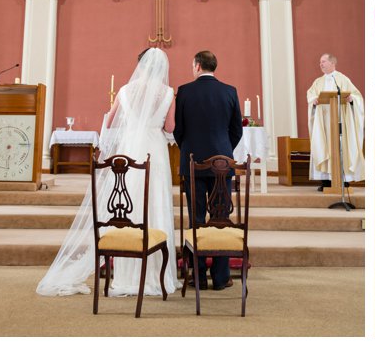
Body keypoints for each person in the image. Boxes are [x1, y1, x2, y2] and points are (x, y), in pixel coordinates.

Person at [37, 47, 179, 297]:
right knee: (154, 203)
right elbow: (170, 127)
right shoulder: (168, 93)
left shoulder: (125, 90)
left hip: (129, 150)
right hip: (154, 152)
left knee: (130, 204)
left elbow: (110, 121)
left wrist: (122, 132)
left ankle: (127, 275)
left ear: (140, 66)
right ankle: (157, 274)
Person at [174, 50, 242, 291]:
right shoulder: (230, 91)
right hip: (223, 165)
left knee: (196, 217)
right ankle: (221, 276)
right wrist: (222, 154)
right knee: (220, 218)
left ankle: (199, 275)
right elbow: (237, 131)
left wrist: (190, 152)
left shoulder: (184, 91)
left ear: (198, 66)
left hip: (192, 163)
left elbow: (178, 130)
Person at [306, 54, 364, 191]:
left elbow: (357, 97)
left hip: (340, 122)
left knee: (340, 147)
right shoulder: (318, 82)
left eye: (323, 61)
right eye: (320, 62)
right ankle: (326, 181)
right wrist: (313, 101)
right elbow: (311, 94)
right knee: (323, 146)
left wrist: (351, 99)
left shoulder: (342, 79)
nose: (321, 64)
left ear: (332, 63)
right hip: (323, 124)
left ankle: (343, 181)